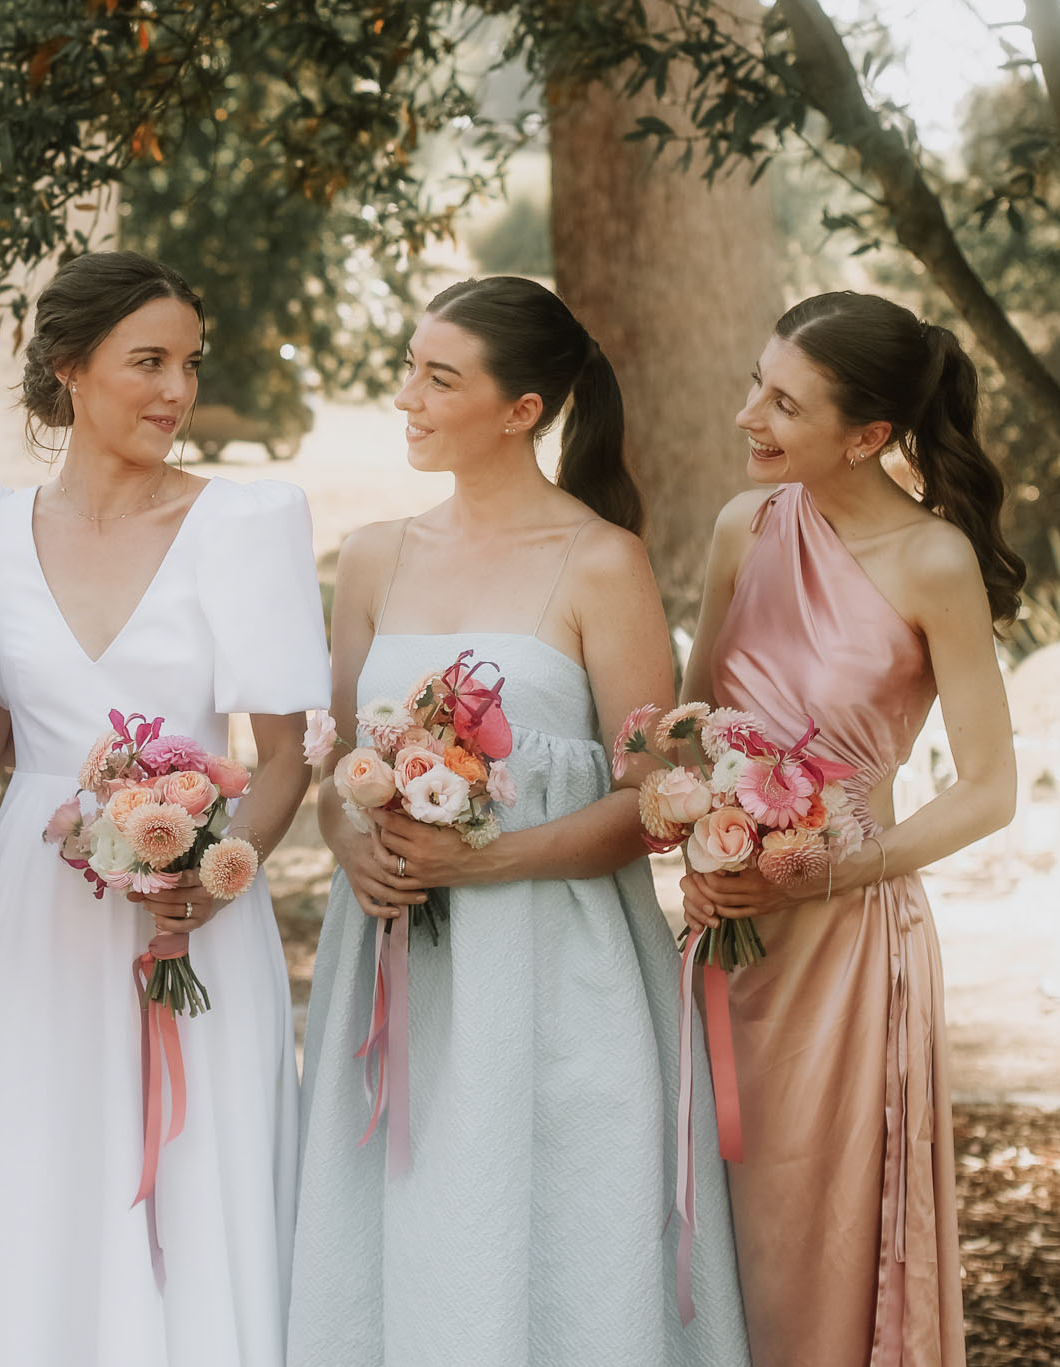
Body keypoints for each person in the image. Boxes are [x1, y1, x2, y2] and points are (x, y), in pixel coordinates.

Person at [288, 276, 751, 1365]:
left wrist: (480, 860)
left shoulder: (599, 559)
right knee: (412, 1218)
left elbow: (648, 802)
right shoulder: (370, 555)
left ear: (521, 411)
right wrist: (351, 842)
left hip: (556, 969)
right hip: (398, 964)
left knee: (565, 1229)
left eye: (437, 377)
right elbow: (336, 766)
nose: (406, 395)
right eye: (409, 366)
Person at [0, 251, 330, 1366]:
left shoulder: (245, 521)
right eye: (145, 361)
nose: (175, 391)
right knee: (35, 1161)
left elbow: (289, 754)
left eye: (188, 363)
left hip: (195, 909)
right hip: (34, 911)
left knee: (195, 1178)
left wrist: (216, 869)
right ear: (69, 369)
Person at [679, 290, 1024, 1366]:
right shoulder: (745, 525)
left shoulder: (933, 561)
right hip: (720, 923)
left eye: (784, 402)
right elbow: (688, 727)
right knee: (700, 1209)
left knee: (815, 1231)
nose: (750, 416)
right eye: (756, 383)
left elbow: (989, 787)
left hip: (843, 944)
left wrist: (828, 865)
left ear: (867, 435)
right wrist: (682, 803)